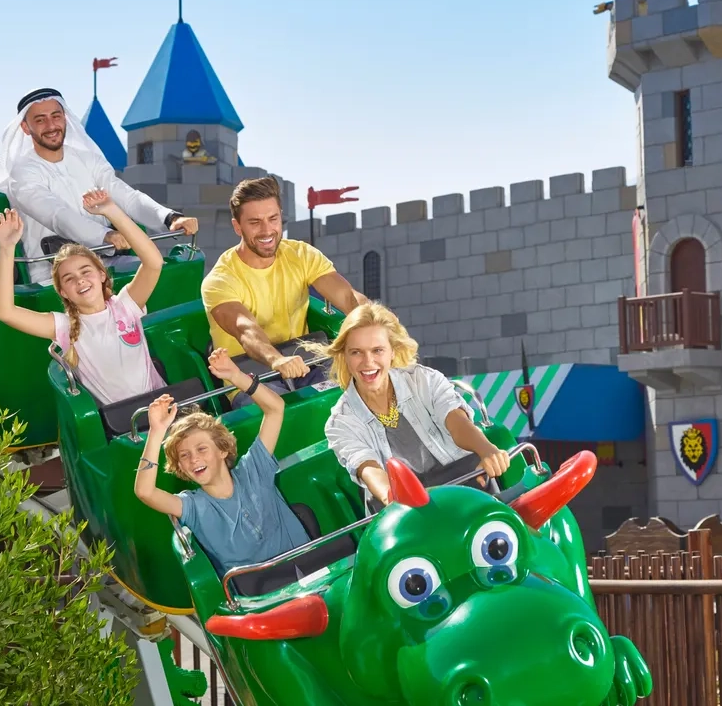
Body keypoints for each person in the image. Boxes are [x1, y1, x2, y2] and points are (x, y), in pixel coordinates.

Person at [315, 302, 512, 510]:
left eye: (377, 350)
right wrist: (393, 497)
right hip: (404, 508)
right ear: (345, 356)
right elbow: (368, 468)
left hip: (461, 485)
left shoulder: (423, 379)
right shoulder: (340, 423)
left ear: (392, 351)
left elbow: (456, 422)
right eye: (356, 352)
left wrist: (486, 449)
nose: (368, 362)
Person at [134, 348, 310, 578]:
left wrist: (236, 376)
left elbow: (275, 409)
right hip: (260, 591)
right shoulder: (193, 506)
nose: (194, 459)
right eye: (184, 456)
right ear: (180, 467)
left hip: (309, 567)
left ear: (222, 450)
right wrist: (156, 432)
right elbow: (145, 492)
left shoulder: (253, 469)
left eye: (202, 449)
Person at [0, 87, 197, 283]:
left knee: (163, 275)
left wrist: (169, 217)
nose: (51, 125)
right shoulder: (21, 173)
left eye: (56, 116)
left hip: (105, 261)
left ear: (65, 118)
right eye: (40, 120)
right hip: (53, 272)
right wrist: (104, 236)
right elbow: (57, 215)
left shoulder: (87, 159)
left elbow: (125, 195)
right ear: (25, 127)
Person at [201, 176, 367, 405]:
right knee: (276, 410)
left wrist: (374, 320)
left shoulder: (301, 254)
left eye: (273, 219)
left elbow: (347, 296)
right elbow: (245, 329)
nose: (267, 230)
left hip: (307, 362)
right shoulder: (219, 280)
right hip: (251, 377)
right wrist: (276, 360)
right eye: (255, 222)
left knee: (363, 379)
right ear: (237, 226)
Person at [0, 192, 166, 406]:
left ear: (102, 275)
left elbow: (153, 262)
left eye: (85, 271)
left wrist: (112, 210)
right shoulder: (64, 326)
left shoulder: (125, 305)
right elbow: (5, 312)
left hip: (160, 403)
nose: (80, 280)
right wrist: (7, 248)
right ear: (63, 292)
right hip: (122, 418)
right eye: (69, 279)